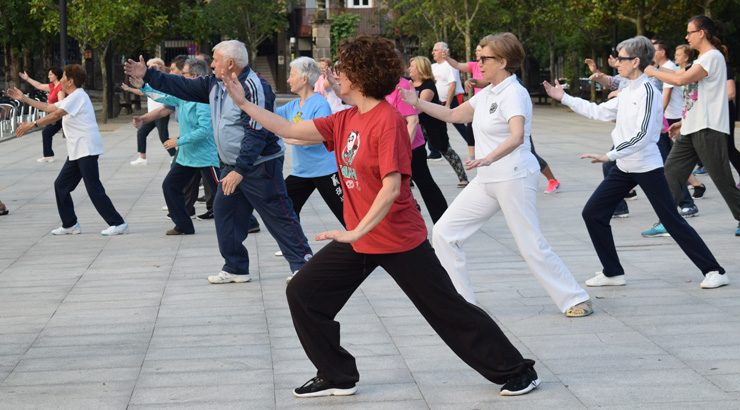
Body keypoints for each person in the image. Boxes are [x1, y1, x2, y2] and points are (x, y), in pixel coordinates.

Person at [221, 34, 540, 398]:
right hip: (363, 237)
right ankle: (336, 374)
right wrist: (245, 104)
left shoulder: (386, 122)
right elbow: (290, 130)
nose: (334, 76)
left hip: (399, 238)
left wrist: (355, 234)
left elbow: (391, 189)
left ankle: (517, 371)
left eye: (341, 70)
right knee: (303, 293)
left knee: (447, 310)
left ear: (359, 76)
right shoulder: (345, 119)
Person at [402, 33, 591, 317]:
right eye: (478, 59)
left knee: (530, 244)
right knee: (444, 233)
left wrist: (488, 156)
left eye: (483, 59)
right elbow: (454, 115)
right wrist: (416, 103)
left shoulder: (514, 93)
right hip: (488, 178)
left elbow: (517, 137)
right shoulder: (488, 92)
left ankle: (574, 299)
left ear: (502, 61)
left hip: (514, 176)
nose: (478, 64)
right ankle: (463, 304)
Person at [543, 35, 727, 289]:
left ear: (636, 61)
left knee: (671, 221)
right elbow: (599, 111)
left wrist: (609, 155)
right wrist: (563, 97)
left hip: (646, 166)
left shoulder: (649, 91)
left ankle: (715, 270)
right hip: (624, 166)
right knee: (593, 214)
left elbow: (644, 136)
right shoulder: (628, 89)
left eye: (621, 58)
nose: (616, 62)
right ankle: (613, 272)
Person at [124, 40, 313, 283]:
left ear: (231, 63)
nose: (211, 64)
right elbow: (182, 86)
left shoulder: (254, 86)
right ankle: (235, 268)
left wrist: (240, 170)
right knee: (226, 213)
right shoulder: (215, 83)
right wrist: (149, 75)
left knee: (277, 213)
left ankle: (302, 264)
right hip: (231, 164)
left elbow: (257, 132)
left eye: (215, 60)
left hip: (259, 165)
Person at [644, 15, 740, 238]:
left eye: (689, 32)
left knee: (721, 178)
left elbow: (681, 80)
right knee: (671, 170)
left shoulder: (713, 57)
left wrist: (651, 71)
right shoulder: (701, 59)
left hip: (708, 128)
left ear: (702, 33)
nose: (686, 36)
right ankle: (667, 221)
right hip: (691, 127)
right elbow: (681, 77)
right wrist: (682, 121)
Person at [7, 65, 129, 236]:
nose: (61, 80)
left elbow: (56, 115)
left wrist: (32, 125)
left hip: (86, 148)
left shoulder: (78, 96)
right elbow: (49, 108)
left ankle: (118, 223)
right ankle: (70, 224)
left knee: (93, 188)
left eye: (63, 77)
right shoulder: (72, 97)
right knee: (61, 186)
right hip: (77, 151)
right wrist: (24, 99)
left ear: (70, 81)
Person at [273, 57, 345, 278]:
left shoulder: (319, 104)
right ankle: (295, 248)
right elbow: (273, 117)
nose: (288, 79)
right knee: (284, 209)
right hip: (302, 172)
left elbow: (320, 136)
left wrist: (293, 138)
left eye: (292, 74)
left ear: (304, 78)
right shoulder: (293, 106)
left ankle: (369, 243)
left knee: (347, 214)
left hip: (326, 170)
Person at [133, 58, 219, 236]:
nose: (181, 76)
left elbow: (205, 130)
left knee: (223, 193)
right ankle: (183, 225)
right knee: (170, 186)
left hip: (205, 156)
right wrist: (143, 86)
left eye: (184, 73)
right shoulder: (184, 96)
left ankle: (249, 222)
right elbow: (163, 97)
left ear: (194, 76)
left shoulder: (203, 100)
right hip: (188, 156)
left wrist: (177, 141)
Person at [388, 55, 448, 222]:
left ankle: (443, 221)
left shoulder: (403, 85)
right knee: (398, 188)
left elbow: (413, 120)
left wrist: (403, 150)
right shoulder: (380, 87)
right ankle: (412, 215)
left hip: (412, 146)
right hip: (391, 146)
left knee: (425, 185)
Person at [408, 56, 469, 187]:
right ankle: (408, 179)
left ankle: (463, 177)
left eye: (412, 66)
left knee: (444, 148)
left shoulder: (428, 85)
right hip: (417, 124)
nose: (409, 69)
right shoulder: (409, 84)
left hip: (433, 123)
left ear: (420, 69)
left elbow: (418, 107)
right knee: (411, 149)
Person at [431, 42, 474, 160]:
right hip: (438, 101)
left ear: (443, 51)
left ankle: (474, 145)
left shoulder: (449, 65)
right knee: (433, 125)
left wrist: (448, 104)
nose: (432, 52)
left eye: (435, 50)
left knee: (459, 125)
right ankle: (435, 152)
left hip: (452, 100)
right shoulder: (433, 67)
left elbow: (452, 85)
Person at [128, 58, 172, 166]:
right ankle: (142, 157)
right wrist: (130, 89)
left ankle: (174, 155)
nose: (155, 66)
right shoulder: (148, 81)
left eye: (158, 65)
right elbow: (143, 91)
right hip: (151, 114)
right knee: (141, 132)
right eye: (152, 66)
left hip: (162, 112)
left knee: (163, 137)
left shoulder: (164, 79)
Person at [19, 67, 65, 163]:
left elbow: (62, 104)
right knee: (47, 132)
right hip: (53, 115)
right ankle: (48, 155)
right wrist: (27, 79)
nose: (48, 76)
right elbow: (39, 85)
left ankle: (48, 155)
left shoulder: (60, 88)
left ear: (56, 75)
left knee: (47, 132)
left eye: (50, 74)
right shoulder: (52, 86)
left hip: (59, 116)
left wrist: (55, 118)